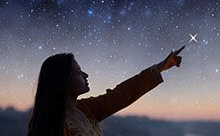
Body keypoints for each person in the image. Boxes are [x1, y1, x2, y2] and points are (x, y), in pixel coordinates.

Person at [27, 45, 185, 136]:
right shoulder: (50, 127)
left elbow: (121, 95)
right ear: (62, 82)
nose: (85, 75)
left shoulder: (85, 109)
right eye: (78, 72)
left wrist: (161, 67)